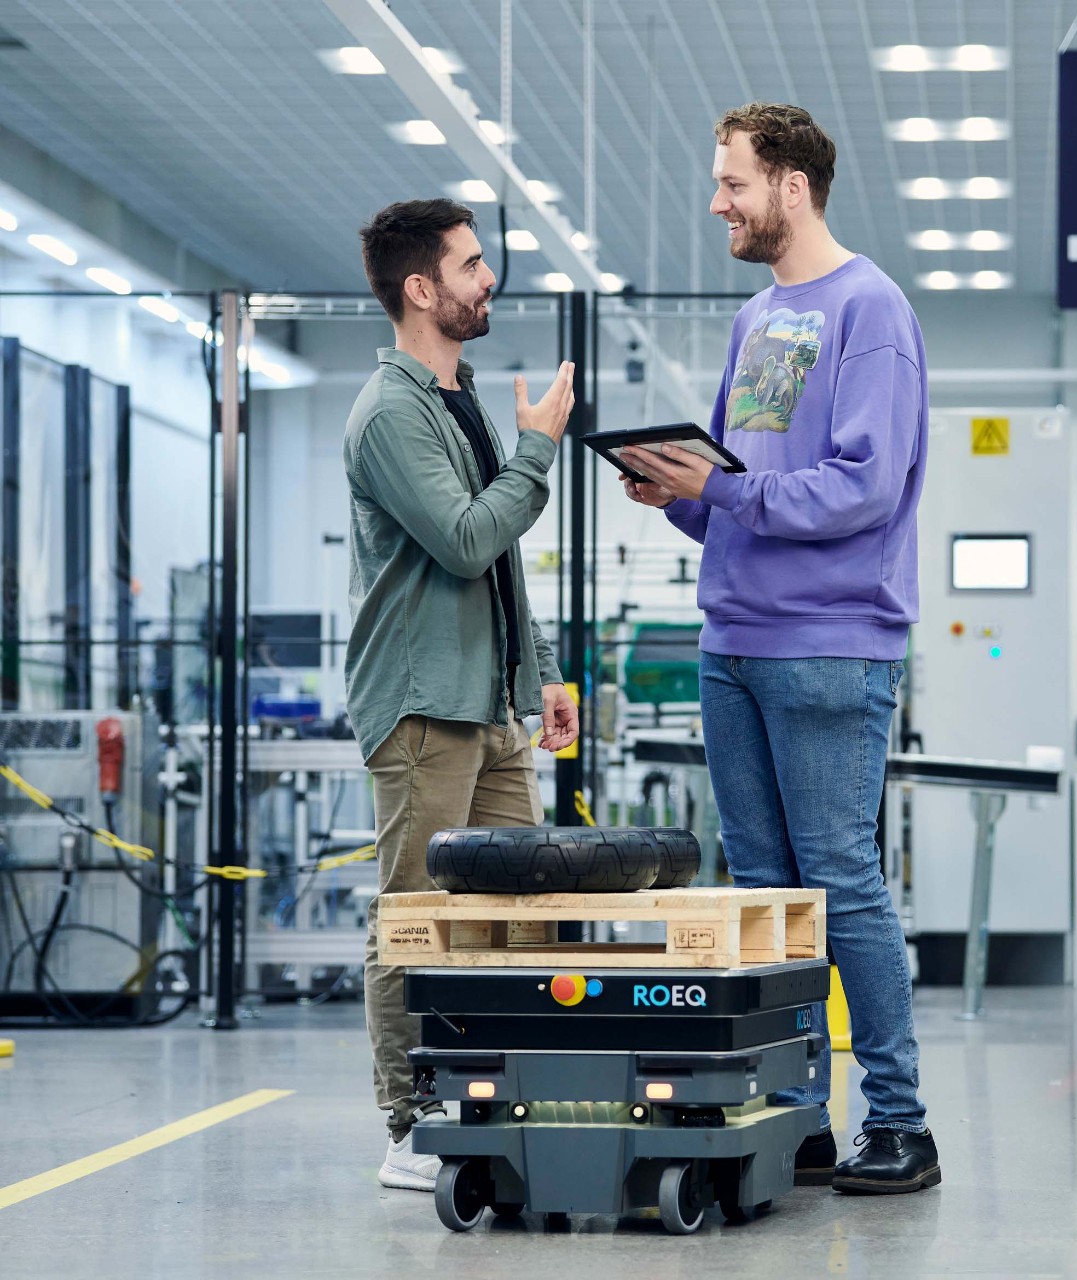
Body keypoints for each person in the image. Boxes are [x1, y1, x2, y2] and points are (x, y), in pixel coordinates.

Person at [619, 103, 938, 1195]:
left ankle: (897, 1121)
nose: (718, 201)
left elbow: (863, 483)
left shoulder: (869, 310)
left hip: (828, 644)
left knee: (841, 882)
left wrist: (732, 489)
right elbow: (737, 488)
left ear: (790, 186)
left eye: (732, 183)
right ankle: (799, 1111)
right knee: (765, 889)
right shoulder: (760, 319)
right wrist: (679, 489)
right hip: (733, 638)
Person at [344, 198, 579, 1191]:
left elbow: (498, 567)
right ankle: (408, 1122)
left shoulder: (456, 397)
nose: (489, 280)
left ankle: (492, 1096)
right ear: (420, 288)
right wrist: (537, 451)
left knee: (515, 914)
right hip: (418, 706)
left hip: (487, 703)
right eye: (472, 264)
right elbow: (467, 536)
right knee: (412, 915)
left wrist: (542, 670)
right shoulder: (391, 413)